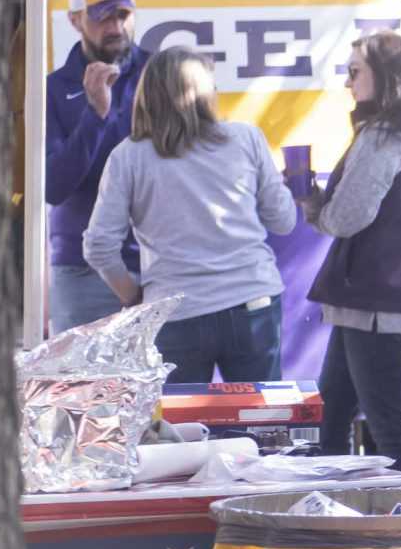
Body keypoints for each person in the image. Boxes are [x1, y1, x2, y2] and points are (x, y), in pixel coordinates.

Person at [83, 46, 297, 381]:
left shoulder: (128, 157)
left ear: (147, 95)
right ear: (205, 93)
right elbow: (283, 221)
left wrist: (132, 295)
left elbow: (98, 245)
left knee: (183, 429)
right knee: (260, 424)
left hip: (175, 312)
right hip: (252, 301)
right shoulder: (246, 139)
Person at [303, 31, 401, 475]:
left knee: (384, 425)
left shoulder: (385, 134)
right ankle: (341, 513)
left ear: (386, 78)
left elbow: (347, 218)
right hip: (370, 299)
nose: (348, 83)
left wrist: (314, 205)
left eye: (355, 72)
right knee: (332, 418)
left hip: (376, 299)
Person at [44, 0, 148, 332]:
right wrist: (96, 114)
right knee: (77, 389)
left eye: (122, 15)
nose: (115, 27)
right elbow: (53, 187)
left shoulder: (159, 73)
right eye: (102, 17)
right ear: (75, 20)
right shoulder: (53, 89)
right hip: (81, 269)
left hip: (158, 262)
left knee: (164, 388)